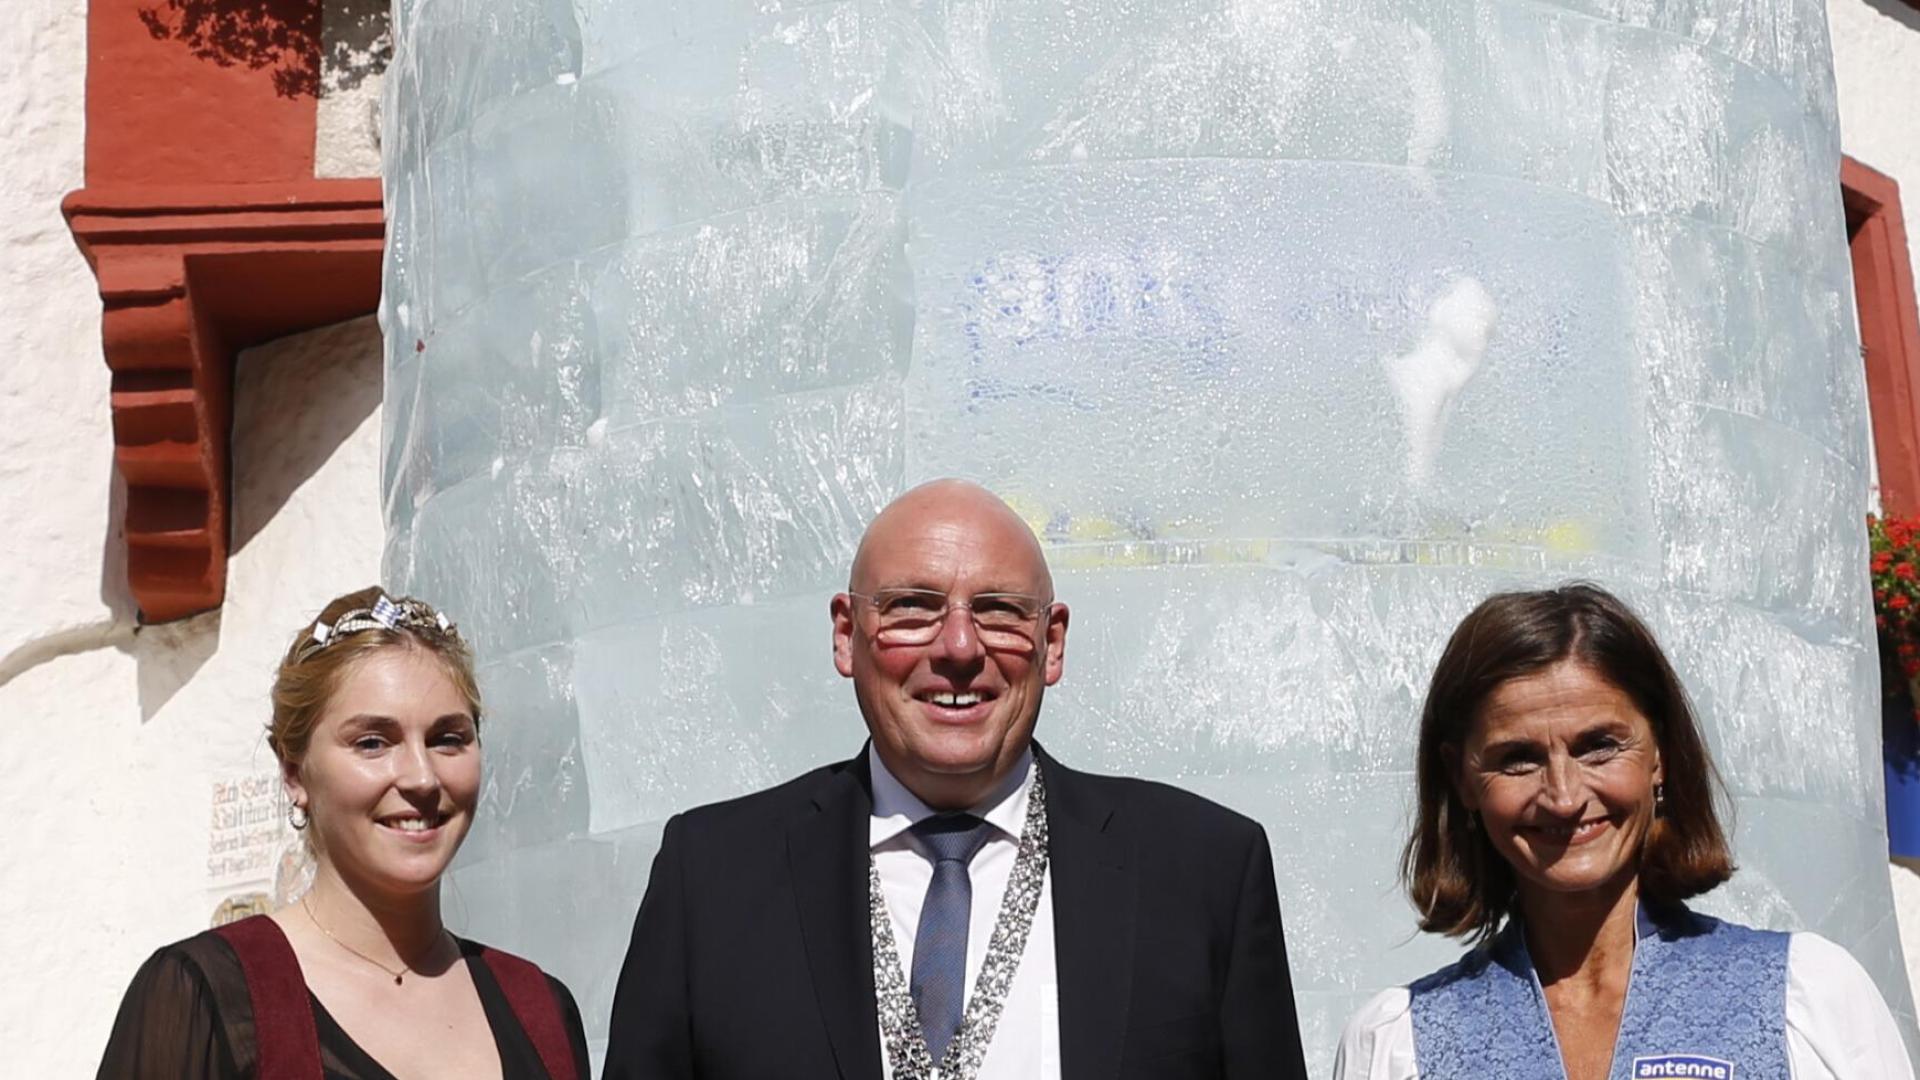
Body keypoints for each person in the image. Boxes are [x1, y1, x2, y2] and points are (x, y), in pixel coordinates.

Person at [603, 479, 1309, 1079]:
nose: (961, 648)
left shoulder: (1202, 872)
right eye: (913, 606)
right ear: (846, 635)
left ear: (1051, 643)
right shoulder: (713, 877)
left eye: (999, 610)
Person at [1333, 583, 1914, 1080]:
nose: (1564, 796)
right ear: (1462, 779)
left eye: (1599, 746)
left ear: (1658, 753)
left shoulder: (1805, 996)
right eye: (1517, 758)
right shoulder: (1399, 1045)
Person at [98, 588, 589, 1079]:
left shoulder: (540, 1009)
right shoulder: (208, 996)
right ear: (294, 774)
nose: (421, 777)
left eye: (447, 739)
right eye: (373, 742)